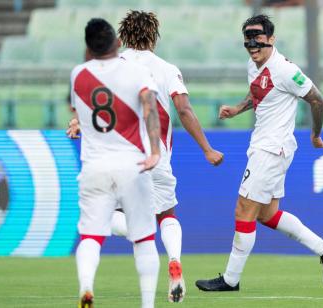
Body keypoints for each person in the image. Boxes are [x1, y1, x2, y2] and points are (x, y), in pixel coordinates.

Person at [195, 14, 323, 292]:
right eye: (248, 39)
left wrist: (316, 135)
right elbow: (259, 91)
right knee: (267, 214)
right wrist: (238, 109)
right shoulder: (255, 64)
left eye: (258, 38)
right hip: (267, 147)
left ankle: (230, 279)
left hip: (271, 150)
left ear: (271, 39)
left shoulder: (285, 69)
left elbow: (318, 100)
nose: (252, 44)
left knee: (243, 209)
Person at [113, 10, 225, 303]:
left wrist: (76, 123)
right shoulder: (166, 68)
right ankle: (174, 260)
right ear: (154, 37)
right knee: (167, 214)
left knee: (104, 216)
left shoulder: (111, 66)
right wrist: (207, 149)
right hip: (156, 154)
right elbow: (184, 110)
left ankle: (142, 230)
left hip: (119, 154)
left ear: (123, 36)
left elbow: (96, 103)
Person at [68, 18, 162, 308]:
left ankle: (86, 286)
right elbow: (150, 108)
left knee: (91, 236)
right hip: (132, 165)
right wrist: (155, 152)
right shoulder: (137, 71)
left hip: (94, 167)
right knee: (144, 238)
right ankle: (147, 304)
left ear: (88, 47)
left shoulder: (78, 75)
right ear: (117, 41)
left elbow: (81, 113)